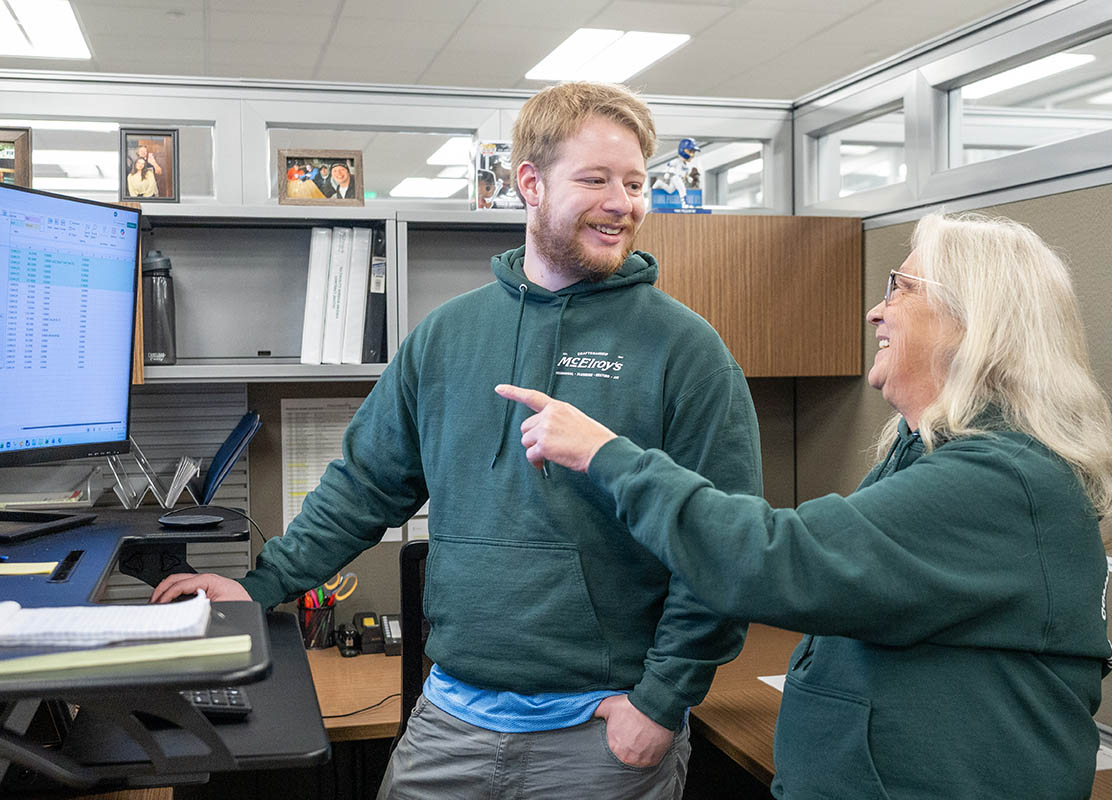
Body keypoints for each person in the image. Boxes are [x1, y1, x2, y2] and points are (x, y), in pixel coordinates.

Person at [151, 81, 763, 799]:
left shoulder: (685, 350)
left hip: (602, 734)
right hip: (451, 719)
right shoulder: (447, 336)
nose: (622, 202)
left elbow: (725, 548)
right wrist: (259, 587)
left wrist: (663, 700)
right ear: (529, 183)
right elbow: (364, 486)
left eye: (635, 182)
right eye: (595, 179)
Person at [497, 211, 1112, 800]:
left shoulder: (1002, 479)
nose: (875, 312)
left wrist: (606, 454)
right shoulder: (931, 455)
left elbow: (769, 560)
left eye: (901, 288)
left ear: (973, 320)